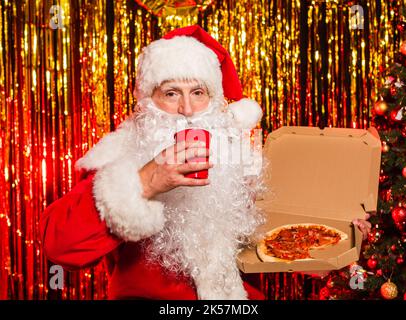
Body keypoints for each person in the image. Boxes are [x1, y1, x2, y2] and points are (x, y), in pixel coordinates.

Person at [41, 25, 266, 300]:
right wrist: (144, 183)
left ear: (213, 100)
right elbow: (59, 246)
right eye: (171, 93)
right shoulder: (121, 153)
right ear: (148, 101)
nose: (187, 110)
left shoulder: (236, 155)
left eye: (198, 93)